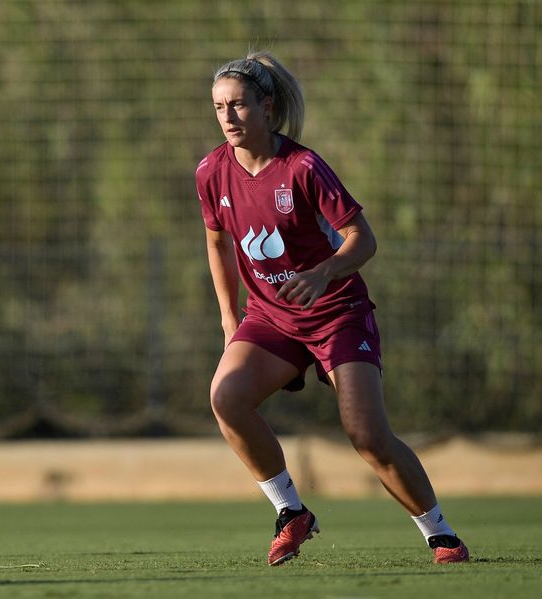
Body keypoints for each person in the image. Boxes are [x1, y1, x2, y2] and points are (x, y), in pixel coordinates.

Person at [195, 51, 469, 566]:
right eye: (218, 107)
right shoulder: (211, 171)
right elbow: (216, 243)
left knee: (367, 436)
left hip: (337, 312)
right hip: (271, 318)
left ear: (267, 106)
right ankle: (290, 511)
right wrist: (230, 318)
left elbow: (362, 241)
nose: (228, 117)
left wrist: (323, 272)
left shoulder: (302, 167)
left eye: (238, 105)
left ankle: (441, 535)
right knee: (226, 397)